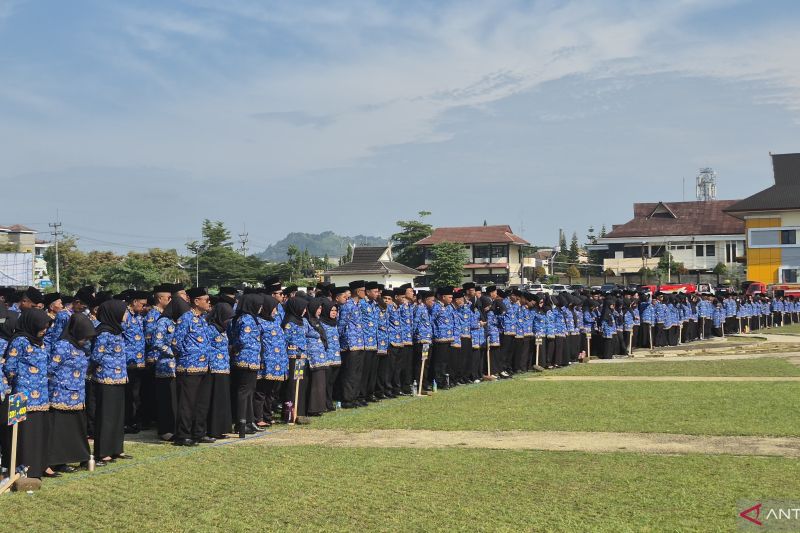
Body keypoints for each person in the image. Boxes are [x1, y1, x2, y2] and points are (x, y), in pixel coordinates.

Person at [2, 309, 52, 480]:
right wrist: (22, 379)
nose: (44, 330)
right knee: (24, 434)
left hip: (42, 396)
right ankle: (21, 470)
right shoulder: (19, 341)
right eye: (42, 327)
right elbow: (9, 367)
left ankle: (38, 467)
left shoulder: (41, 342)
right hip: (23, 395)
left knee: (38, 432)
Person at [48, 313, 96, 472]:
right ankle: (59, 462)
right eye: (84, 337)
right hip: (62, 395)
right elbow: (50, 369)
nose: (86, 340)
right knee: (62, 431)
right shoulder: (62, 346)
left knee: (77, 430)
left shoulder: (83, 347)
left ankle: (82, 458)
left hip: (78, 396)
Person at [90, 299, 131, 466]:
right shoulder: (104, 332)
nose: (126, 315)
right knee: (106, 416)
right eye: (124, 311)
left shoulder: (117, 331)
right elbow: (96, 356)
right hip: (106, 379)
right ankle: (103, 451)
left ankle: (116, 448)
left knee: (118, 415)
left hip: (119, 378)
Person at [172, 287, 214, 446]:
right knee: (187, 403)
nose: (209, 303)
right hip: (189, 366)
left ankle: (199, 432)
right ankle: (183, 435)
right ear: (196, 301)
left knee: (202, 403)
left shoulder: (202, 319)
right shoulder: (186, 318)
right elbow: (176, 342)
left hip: (204, 366)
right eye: (207, 300)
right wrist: (188, 355)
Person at [229, 293, 263, 437]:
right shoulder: (247, 319)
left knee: (250, 391)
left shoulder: (251, 318)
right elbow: (243, 339)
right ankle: (241, 423)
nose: (261, 307)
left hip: (252, 360)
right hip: (245, 360)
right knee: (244, 391)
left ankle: (248, 421)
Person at [152, 297, 186, 441]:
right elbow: (157, 342)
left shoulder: (178, 322)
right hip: (165, 367)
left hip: (178, 367)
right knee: (166, 400)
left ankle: (176, 428)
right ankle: (165, 430)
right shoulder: (163, 322)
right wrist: (172, 352)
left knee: (176, 400)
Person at [256, 295, 288, 428]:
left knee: (271, 392)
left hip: (278, 362)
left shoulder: (275, 322)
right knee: (261, 391)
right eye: (274, 308)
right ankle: (258, 418)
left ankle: (268, 416)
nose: (276, 311)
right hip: (266, 362)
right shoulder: (259, 322)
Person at [206, 295, 233, 440]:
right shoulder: (210, 329)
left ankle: (222, 429)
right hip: (213, 369)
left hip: (224, 369)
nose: (228, 321)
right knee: (214, 400)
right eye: (227, 318)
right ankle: (212, 430)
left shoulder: (223, 330)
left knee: (223, 400)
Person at [122, 291, 148, 434]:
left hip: (139, 362)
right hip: (128, 361)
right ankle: (127, 421)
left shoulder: (139, 317)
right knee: (128, 395)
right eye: (142, 304)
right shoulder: (125, 316)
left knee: (136, 394)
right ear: (134, 302)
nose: (144, 307)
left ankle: (134, 420)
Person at [282, 297, 309, 421]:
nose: (304, 310)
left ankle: (299, 412)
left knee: (300, 384)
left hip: (301, 357)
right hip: (292, 357)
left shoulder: (302, 321)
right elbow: (285, 340)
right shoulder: (289, 322)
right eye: (302, 308)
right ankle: (289, 414)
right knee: (292, 385)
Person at [305, 298, 329, 416]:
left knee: (320, 382)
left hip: (321, 356)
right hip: (312, 357)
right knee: (315, 382)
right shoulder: (307, 321)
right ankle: (313, 408)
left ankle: (320, 407)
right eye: (318, 308)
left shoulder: (317, 321)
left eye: (321, 308)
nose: (319, 311)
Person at [319, 298, 341, 410]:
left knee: (332, 381)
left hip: (336, 356)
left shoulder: (335, 323)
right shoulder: (321, 323)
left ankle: (330, 401)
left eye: (335, 310)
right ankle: (325, 403)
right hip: (327, 356)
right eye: (331, 310)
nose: (334, 312)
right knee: (326, 382)